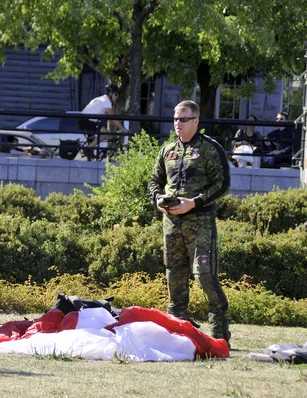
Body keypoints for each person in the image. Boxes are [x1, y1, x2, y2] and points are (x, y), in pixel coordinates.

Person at [147, 100, 231, 347]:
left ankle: (219, 333)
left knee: (204, 275)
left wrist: (194, 202)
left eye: (183, 119)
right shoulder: (168, 149)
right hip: (171, 223)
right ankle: (177, 328)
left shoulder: (209, 149)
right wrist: (157, 200)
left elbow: (222, 185)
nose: (177, 124)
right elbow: (154, 181)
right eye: (175, 119)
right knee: (174, 274)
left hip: (200, 222)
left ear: (196, 121)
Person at [78, 84, 128, 160]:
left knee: (93, 139)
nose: (117, 97)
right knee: (105, 133)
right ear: (110, 93)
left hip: (84, 120)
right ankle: (87, 149)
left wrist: (117, 126)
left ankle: (90, 155)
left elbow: (110, 120)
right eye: (116, 94)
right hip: (87, 121)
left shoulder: (102, 99)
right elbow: (113, 118)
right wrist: (123, 129)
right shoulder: (106, 101)